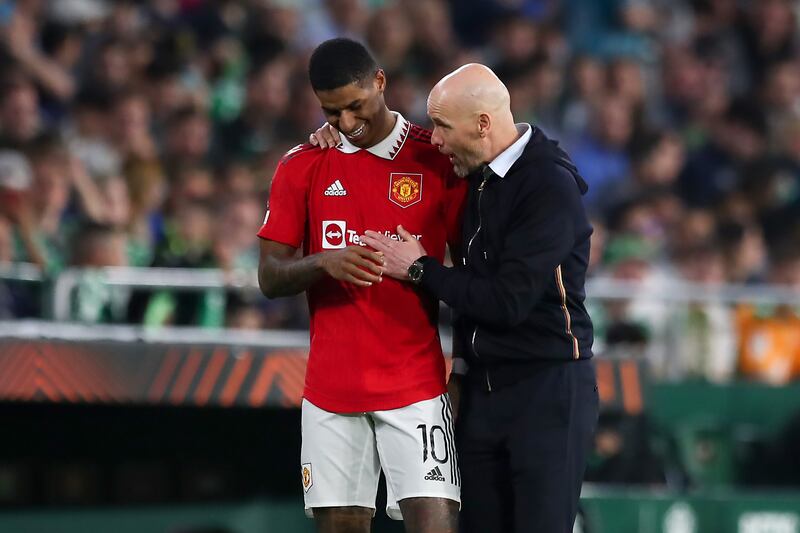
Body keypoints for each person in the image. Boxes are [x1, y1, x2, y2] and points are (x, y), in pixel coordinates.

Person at [315, 63, 599, 532]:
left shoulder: (547, 185)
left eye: (443, 126)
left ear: (482, 124)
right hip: (485, 392)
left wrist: (421, 269)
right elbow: (391, 146)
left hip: (548, 389)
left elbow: (508, 302)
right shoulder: (475, 171)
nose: (437, 139)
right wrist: (337, 136)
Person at [257, 38, 466, 533]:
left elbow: (469, 271)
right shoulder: (302, 165)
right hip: (331, 391)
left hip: (416, 385)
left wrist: (462, 367)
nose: (346, 123)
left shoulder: (434, 161)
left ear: (380, 82)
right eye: (332, 112)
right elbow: (269, 277)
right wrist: (323, 263)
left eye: (356, 106)